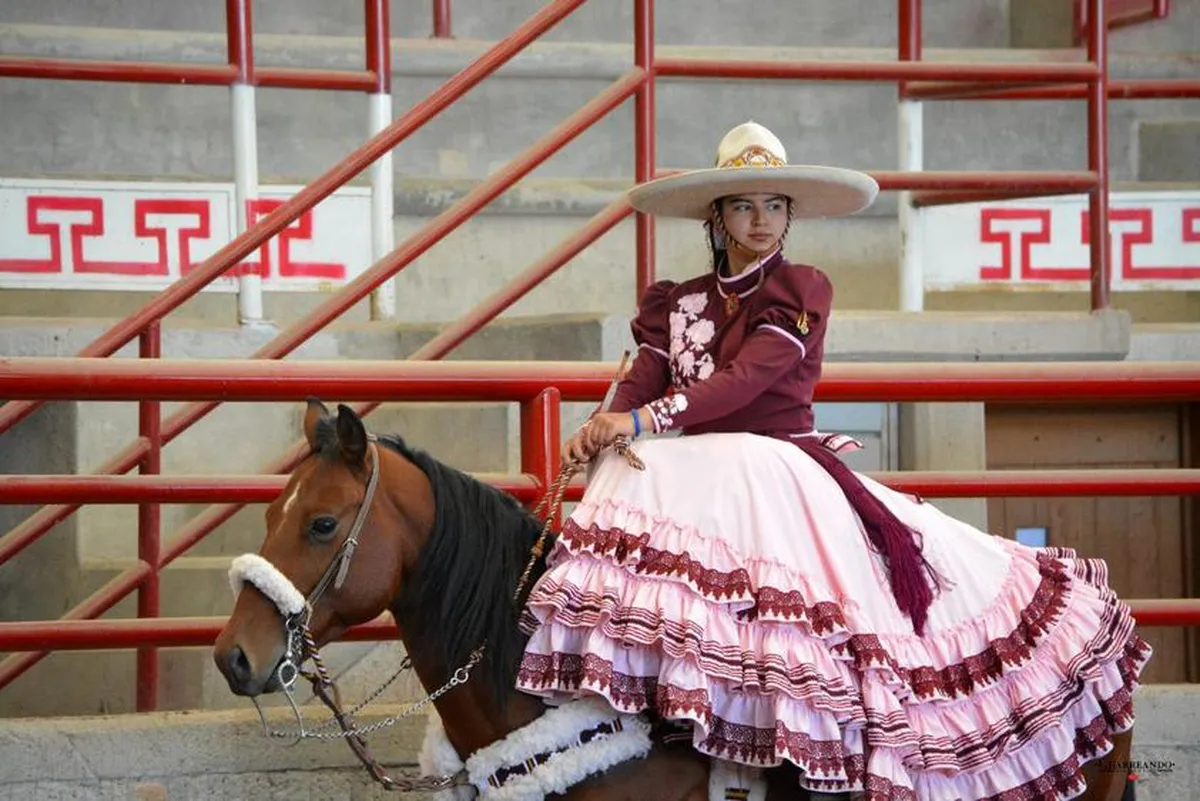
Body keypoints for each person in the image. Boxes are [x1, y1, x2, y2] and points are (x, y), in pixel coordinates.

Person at [515, 121, 1150, 800]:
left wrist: (640, 421)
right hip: (696, 471)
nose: (762, 221)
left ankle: (816, 758)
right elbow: (647, 374)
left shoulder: (801, 287)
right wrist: (602, 424)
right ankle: (680, 735)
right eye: (744, 205)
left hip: (776, 469)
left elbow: (744, 382)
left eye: (776, 205)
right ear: (717, 216)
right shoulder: (678, 301)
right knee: (646, 532)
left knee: (813, 629)